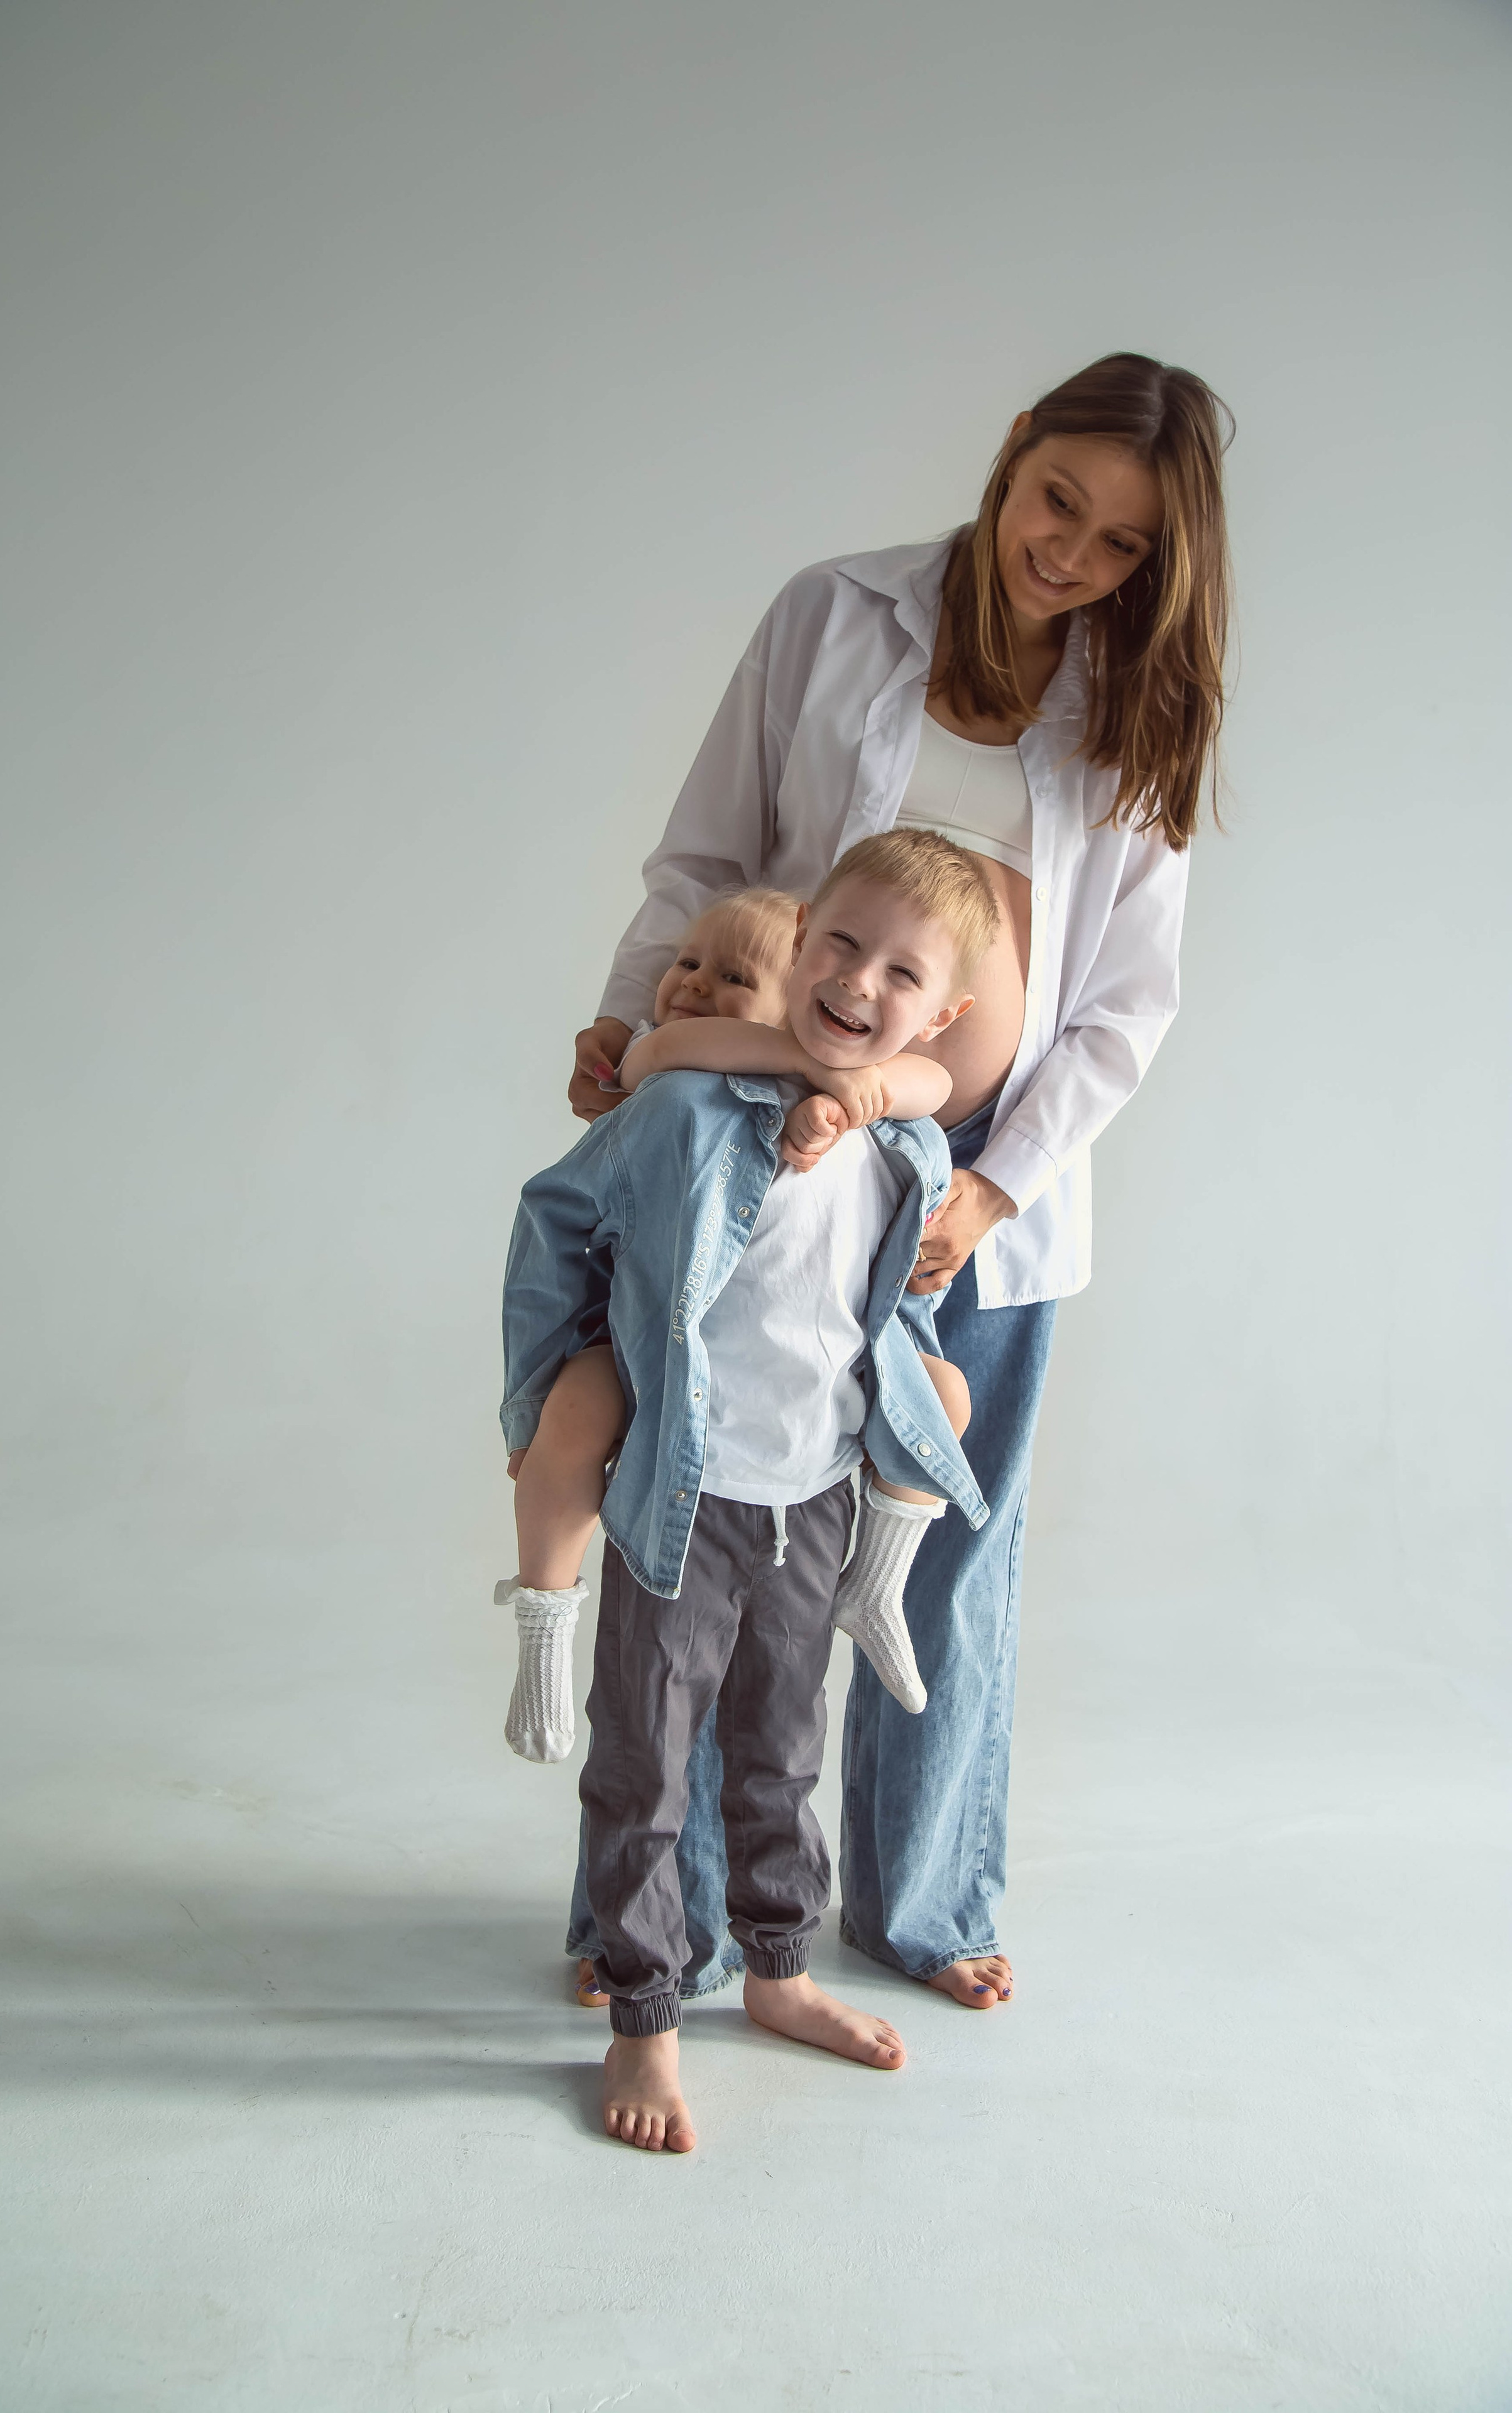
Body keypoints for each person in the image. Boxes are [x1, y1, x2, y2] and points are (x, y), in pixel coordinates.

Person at [564, 351, 1234, 2014]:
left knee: (943, 1559)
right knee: (707, 1540)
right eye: (1057, 501)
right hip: (773, 1174)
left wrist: (994, 1188)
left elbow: (1119, 1009)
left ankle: (923, 1907)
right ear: (1012, 458)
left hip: (971, 1213)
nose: (1069, 555)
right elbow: (709, 855)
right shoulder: (833, 615)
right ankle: (671, 1920)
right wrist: (628, 1007)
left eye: (1123, 545)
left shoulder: (1139, 713)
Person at [500, 836, 995, 2150]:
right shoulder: (676, 1112)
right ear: (797, 952)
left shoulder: (903, 1144)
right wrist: (535, 1390)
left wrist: (875, 1099)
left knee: (782, 1753)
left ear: (934, 1014)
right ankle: (644, 2015)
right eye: (837, 945)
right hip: (687, 1500)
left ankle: (778, 1973)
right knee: (646, 1764)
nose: (855, 981)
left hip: (814, 1495)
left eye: (899, 972)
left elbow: (880, 1281)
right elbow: (553, 1214)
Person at [499, 866, 979, 1766]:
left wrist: (853, 1090)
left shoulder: (871, 1119)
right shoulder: (674, 1074)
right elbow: (655, 1061)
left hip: (795, 1424)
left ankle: (876, 1584)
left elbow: (933, 1086)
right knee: (573, 1415)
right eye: (686, 961)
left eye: (729, 977)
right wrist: (813, 1066)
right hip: (639, 1331)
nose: (692, 987)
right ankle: (543, 1627)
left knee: (945, 1395)